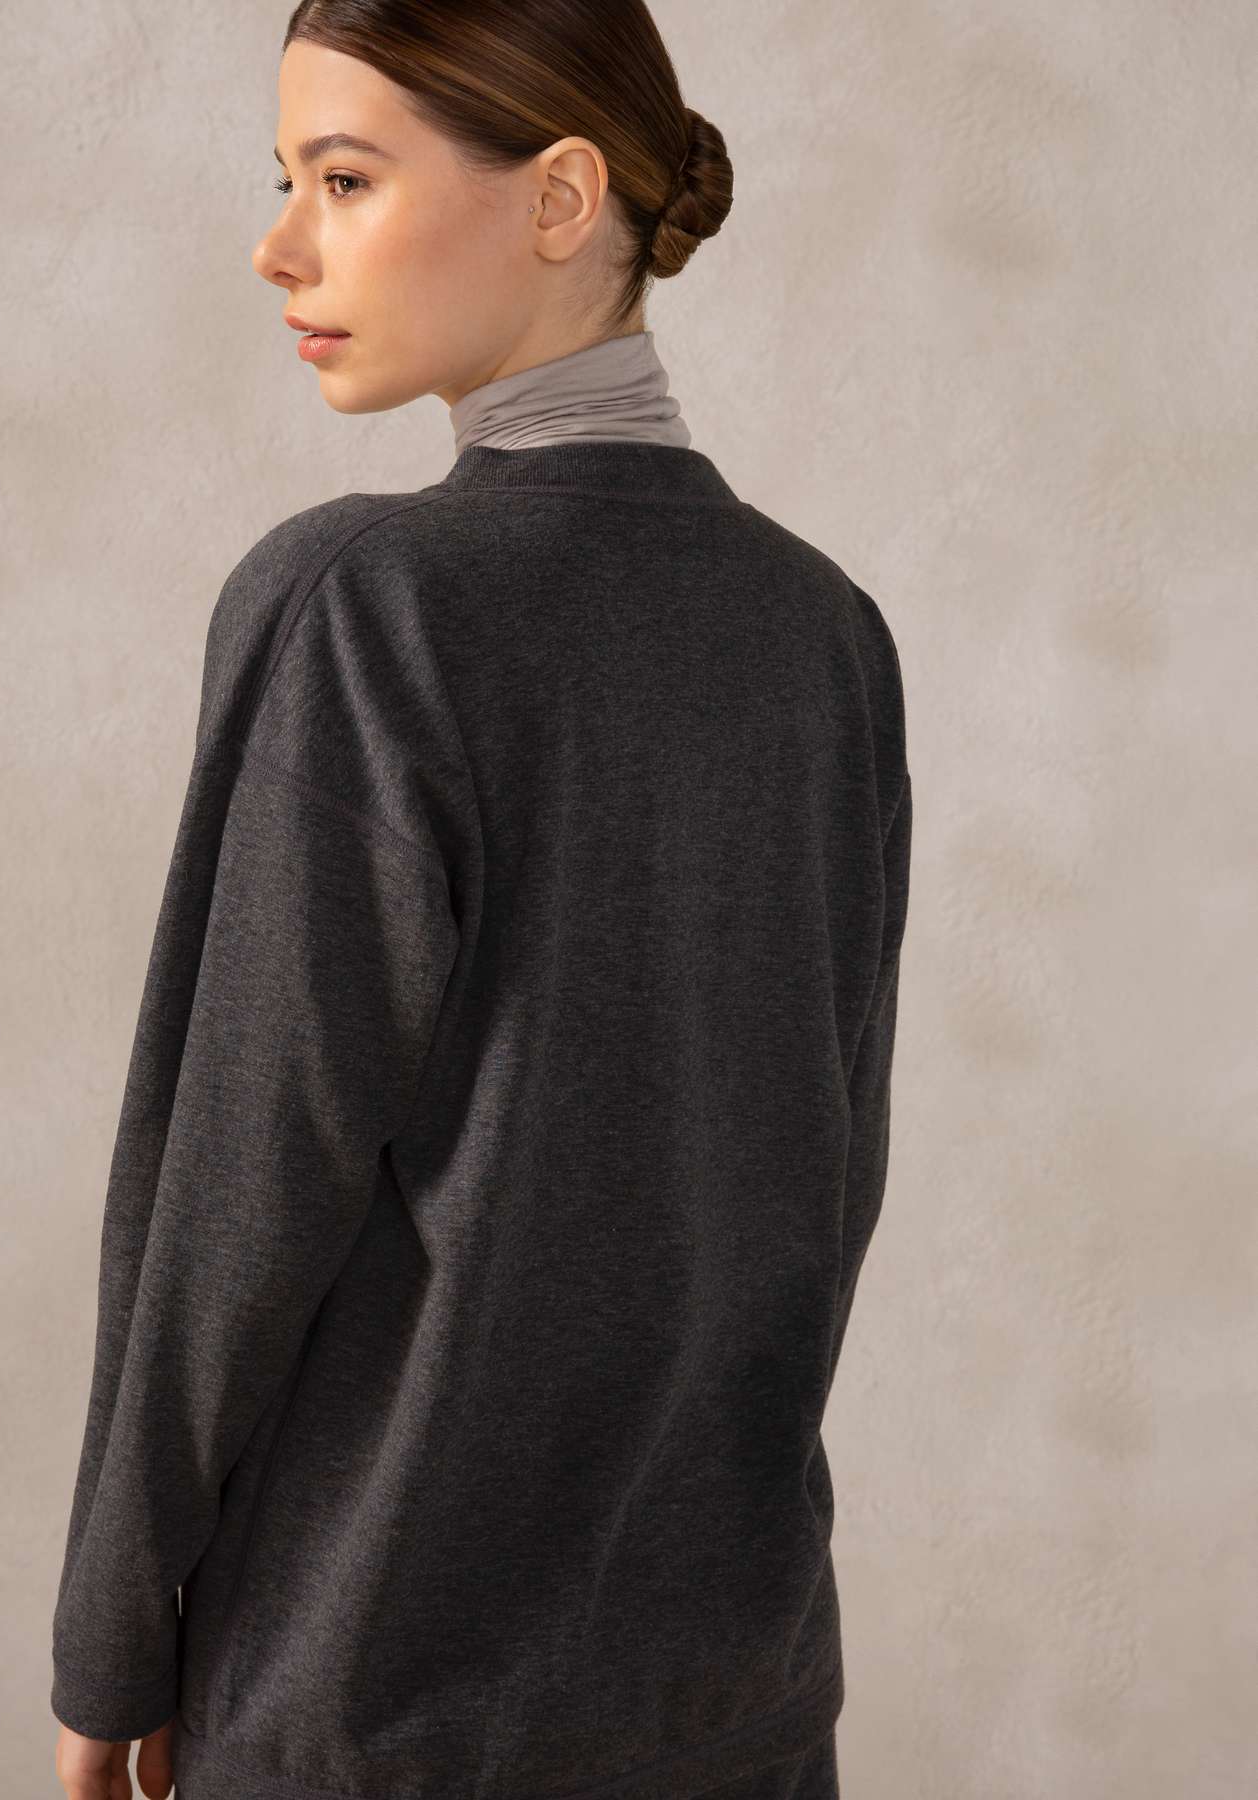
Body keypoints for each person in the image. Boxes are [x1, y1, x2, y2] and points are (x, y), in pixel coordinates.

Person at [49, 4, 911, 1798]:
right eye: (286, 180)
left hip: (376, 1704)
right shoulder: (824, 633)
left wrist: (113, 1633)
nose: (279, 246)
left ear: (560, 196)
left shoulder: (366, 605)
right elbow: (822, 1190)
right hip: (734, 1697)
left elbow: (233, 1195)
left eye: (345, 179)